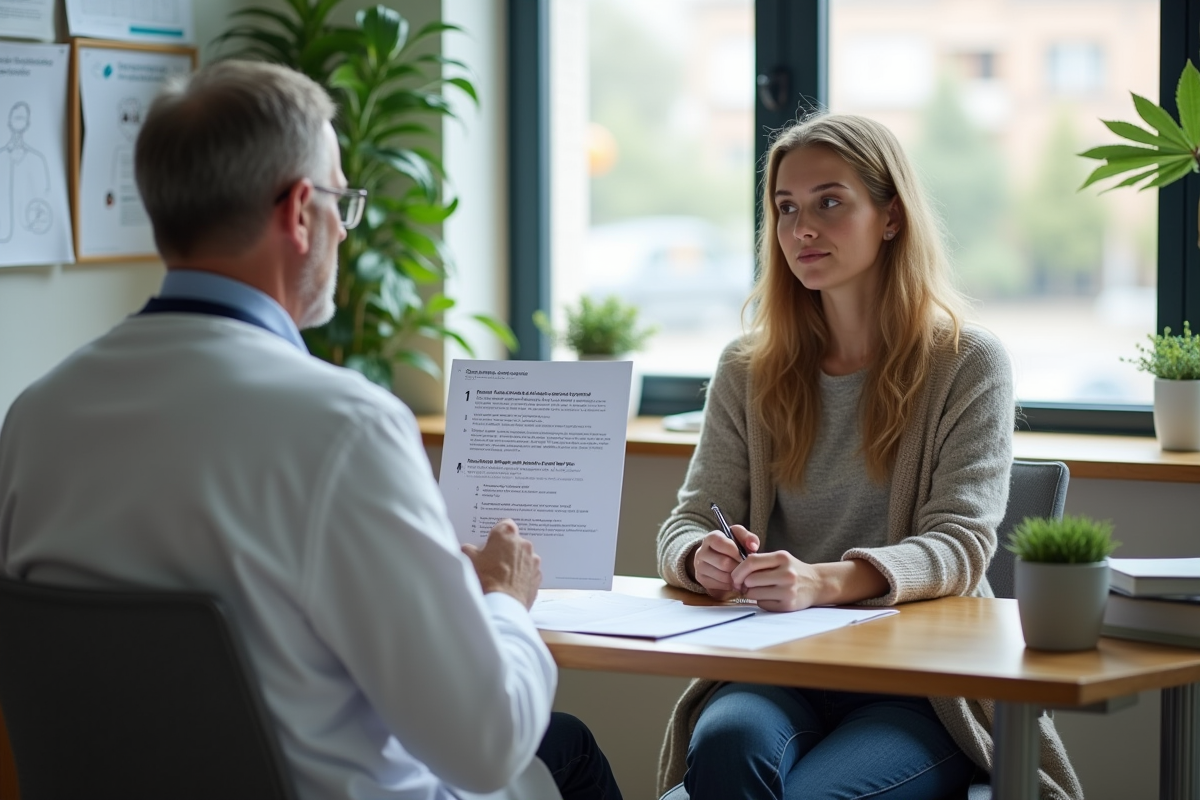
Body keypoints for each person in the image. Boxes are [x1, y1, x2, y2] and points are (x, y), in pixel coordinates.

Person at [0, 60, 621, 800]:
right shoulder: (343, 428)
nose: (342, 228)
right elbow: (487, 745)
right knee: (563, 753)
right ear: (300, 212)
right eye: (339, 200)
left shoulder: (36, 416)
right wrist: (505, 599)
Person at [654, 114, 1082, 800]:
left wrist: (821, 582)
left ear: (890, 217)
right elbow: (686, 522)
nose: (802, 228)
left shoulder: (967, 363)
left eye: (829, 202)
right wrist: (698, 557)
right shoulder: (747, 369)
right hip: (777, 669)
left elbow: (961, 545)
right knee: (726, 746)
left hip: (919, 686)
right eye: (786, 208)